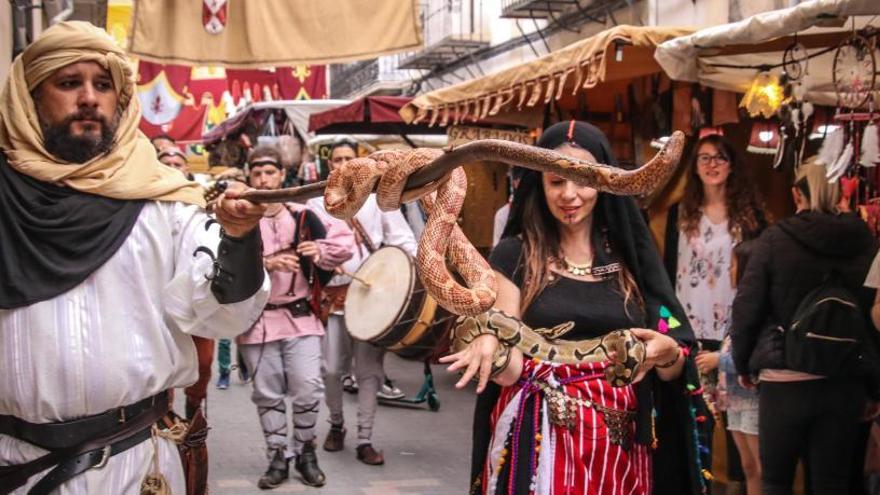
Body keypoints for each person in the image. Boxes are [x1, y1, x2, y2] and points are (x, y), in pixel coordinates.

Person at [0, 21, 269, 494]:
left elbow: (222, 311)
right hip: (12, 466)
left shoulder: (166, 204)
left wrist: (240, 239)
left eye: (103, 85)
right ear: (29, 99)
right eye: (69, 83)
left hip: (132, 465)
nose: (89, 98)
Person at [443, 121, 705, 495]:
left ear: (603, 182)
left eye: (582, 180)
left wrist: (667, 355)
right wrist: (490, 346)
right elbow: (508, 353)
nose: (570, 194)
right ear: (539, 185)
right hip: (541, 441)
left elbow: (674, 352)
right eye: (555, 181)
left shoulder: (631, 261)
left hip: (622, 449)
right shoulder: (515, 255)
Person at [731, 162, 877, 494]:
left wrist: (743, 363)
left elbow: (747, 308)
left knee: (776, 482)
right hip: (845, 381)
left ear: (796, 193)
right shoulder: (863, 241)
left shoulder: (775, 239)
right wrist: (874, 384)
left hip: (785, 380)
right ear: (841, 193)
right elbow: (872, 315)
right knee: (832, 483)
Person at [238, 145, 354, 489]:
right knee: (267, 393)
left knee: (307, 389)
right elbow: (220, 267)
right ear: (249, 176)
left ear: (281, 175)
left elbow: (342, 247)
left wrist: (318, 251)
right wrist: (264, 263)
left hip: (301, 317)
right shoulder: (241, 222)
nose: (263, 178)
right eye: (257, 172)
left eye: (269, 172)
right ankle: (278, 456)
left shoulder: (303, 215)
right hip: (257, 322)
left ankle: (305, 452)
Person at [664, 134, 766, 494]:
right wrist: (671, 331)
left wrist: (742, 336)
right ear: (694, 167)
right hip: (690, 331)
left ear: (732, 164)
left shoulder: (750, 217)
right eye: (704, 158)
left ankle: (735, 488)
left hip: (736, 334)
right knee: (697, 423)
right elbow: (666, 273)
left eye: (720, 157)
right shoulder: (679, 213)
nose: (711, 165)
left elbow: (761, 279)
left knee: (740, 431)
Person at [308, 139, 418, 466]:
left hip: (373, 299)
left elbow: (405, 242)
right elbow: (307, 245)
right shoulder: (315, 203)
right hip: (334, 298)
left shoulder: (378, 200)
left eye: (349, 158)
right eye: (337, 159)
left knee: (369, 372)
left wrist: (394, 273)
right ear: (331, 166)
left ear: (359, 162)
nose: (343, 163)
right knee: (330, 370)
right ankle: (337, 424)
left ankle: (365, 438)